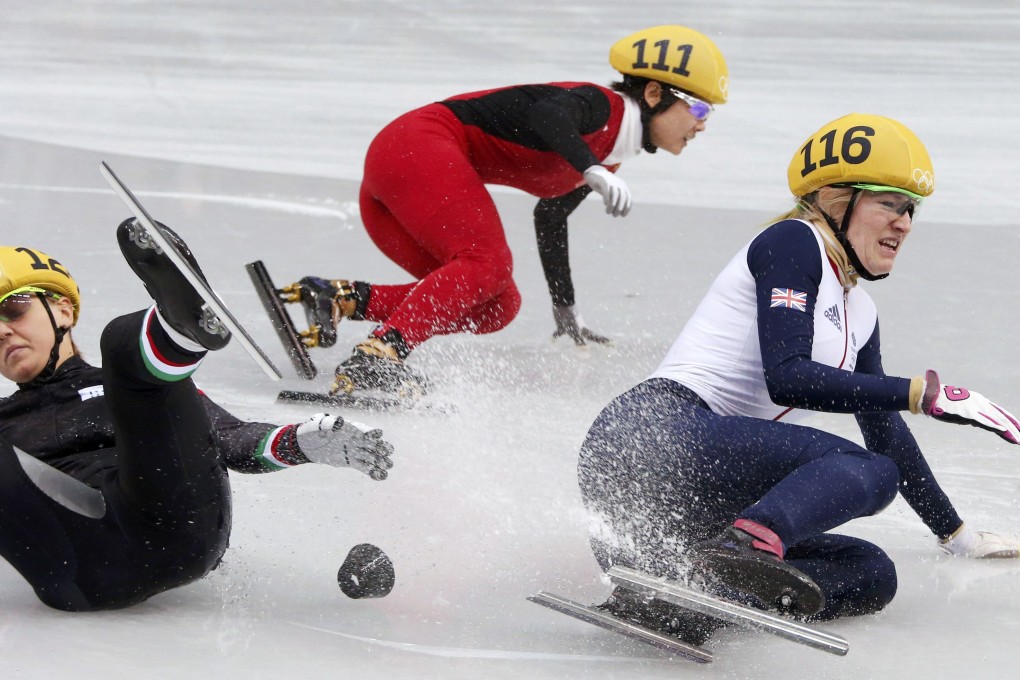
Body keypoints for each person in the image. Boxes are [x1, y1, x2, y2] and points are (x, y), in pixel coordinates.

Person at [576, 113, 1020, 646]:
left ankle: (688, 598)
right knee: (865, 470)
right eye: (887, 202)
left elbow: (885, 432)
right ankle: (741, 551)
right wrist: (919, 394)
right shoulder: (794, 242)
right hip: (647, 440)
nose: (904, 223)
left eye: (910, 209)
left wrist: (957, 534)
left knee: (871, 572)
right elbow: (787, 377)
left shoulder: (862, 312)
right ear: (835, 199)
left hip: (692, 506)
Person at [286, 24, 728, 397]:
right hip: (413, 147)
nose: (703, 124)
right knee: (488, 264)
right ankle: (378, 358)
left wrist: (565, 310)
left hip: (401, 186)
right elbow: (546, 116)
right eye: (699, 107)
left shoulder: (609, 156)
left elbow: (549, 217)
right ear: (653, 92)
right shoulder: (598, 107)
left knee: (498, 305)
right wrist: (590, 167)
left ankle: (342, 298)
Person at [0, 219, 394, 611]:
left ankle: (180, 330)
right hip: (77, 565)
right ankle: (177, 334)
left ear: (63, 310)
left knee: (123, 345)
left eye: (11, 309)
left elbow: (225, 437)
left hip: (173, 526)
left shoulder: (126, 383)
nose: (2, 331)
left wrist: (298, 443)